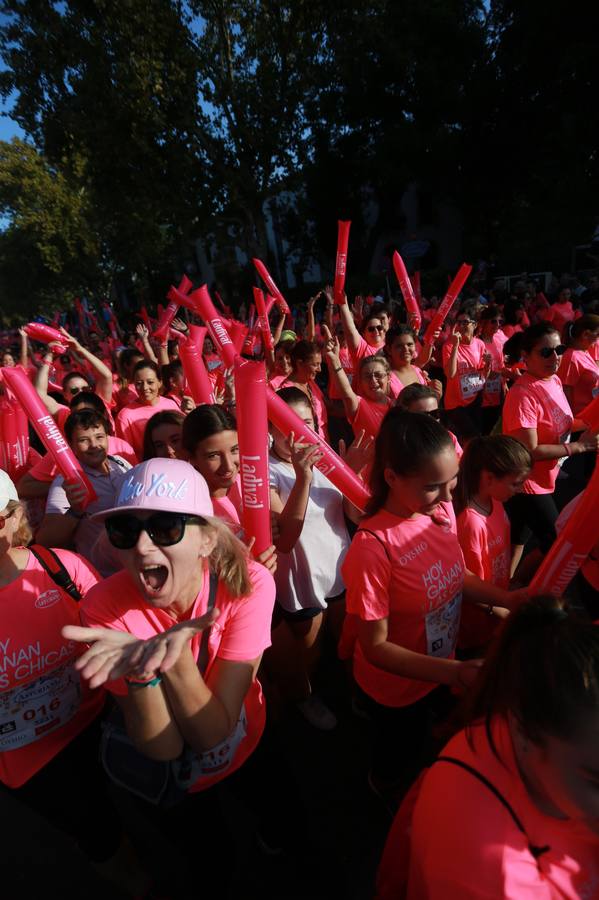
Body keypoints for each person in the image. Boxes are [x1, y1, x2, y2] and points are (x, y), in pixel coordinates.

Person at [63, 459, 276, 894]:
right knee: (210, 859)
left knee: (277, 810)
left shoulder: (249, 584)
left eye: (165, 528)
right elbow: (162, 747)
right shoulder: (102, 608)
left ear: (206, 539)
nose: (141, 548)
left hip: (248, 739)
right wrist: (146, 671)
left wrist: (172, 658)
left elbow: (216, 730)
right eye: (125, 531)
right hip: (180, 781)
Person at [342, 409, 525, 805]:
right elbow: (376, 646)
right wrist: (455, 672)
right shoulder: (373, 549)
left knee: (433, 737)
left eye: (453, 482)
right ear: (391, 477)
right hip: (397, 688)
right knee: (398, 754)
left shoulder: (439, 512)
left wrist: (506, 598)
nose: (447, 498)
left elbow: (455, 574)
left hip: (441, 665)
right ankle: (384, 794)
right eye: (433, 487)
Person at [383, 597, 599, 899]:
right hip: (397, 695)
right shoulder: (491, 875)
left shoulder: (548, 712)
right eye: (595, 781)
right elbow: (374, 645)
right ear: (526, 733)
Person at [0, 470, 134, 886]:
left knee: (120, 804)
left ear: (11, 516)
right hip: (30, 762)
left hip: (97, 724)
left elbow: (119, 633)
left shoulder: (61, 567)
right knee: (97, 832)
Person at [267, 386, 366, 730]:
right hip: (302, 577)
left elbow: (354, 517)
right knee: (309, 653)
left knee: (344, 640)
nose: (298, 436)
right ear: (270, 430)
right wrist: (303, 478)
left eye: (306, 424)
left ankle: (351, 691)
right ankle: (304, 698)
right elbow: (284, 538)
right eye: (287, 428)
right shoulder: (266, 471)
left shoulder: (329, 458)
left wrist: (352, 474)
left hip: (340, 567)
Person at [502, 323, 599, 556]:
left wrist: (589, 422)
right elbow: (530, 450)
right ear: (525, 356)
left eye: (559, 349)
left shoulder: (552, 380)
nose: (555, 357)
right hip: (527, 482)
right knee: (557, 544)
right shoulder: (522, 395)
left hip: (545, 477)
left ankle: (512, 585)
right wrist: (578, 446)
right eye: (546, 352)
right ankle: (535, 590)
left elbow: (564, 423)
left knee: (520, 536)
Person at [454, 436, 532, 651]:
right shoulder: (470, 523)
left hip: (498, 606)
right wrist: (503, 609)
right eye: (515, 483)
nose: (521, 489)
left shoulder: (496, 501)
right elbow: (467, 585)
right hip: (478, 624)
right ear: (489, 479)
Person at [36, 409, 131, 573]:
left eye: (99, 437)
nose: (94, 445)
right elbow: (45, 540)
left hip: (133, 566)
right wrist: (75, 511)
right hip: (102, 576)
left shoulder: (120, 463)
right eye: (84, 440)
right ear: (71, 445)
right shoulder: (67, 482)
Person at [324, 330, 394, 441]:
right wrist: (335, 361)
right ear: (360, 382)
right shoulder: (359, 405)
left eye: (378, 375)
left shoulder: (396, 405)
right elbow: (346, 392)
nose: (373, 380)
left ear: (388, 377)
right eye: (367, 376)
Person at [442, 303, 491, 442]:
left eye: (465, 322)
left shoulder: (479, 344)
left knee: (475, 440)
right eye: (459, 322)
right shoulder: (449, 345)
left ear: (474, 325)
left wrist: (487, 365)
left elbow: (483, 376)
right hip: (455, 404)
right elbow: (450, 374)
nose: (462, 325)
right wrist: (455, 346)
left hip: (474, 399)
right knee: (466, 440)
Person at [116, 360, 179, 458]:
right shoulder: (125, 416)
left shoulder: (171, 404)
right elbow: (126, 455)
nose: (145, 387)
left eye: (150, 382)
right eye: (139, 383)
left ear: (159, 382)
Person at [279, 339, 328, 439]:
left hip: (325, 448)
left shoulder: (311, 383)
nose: (320, 369)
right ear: (300, 363)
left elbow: (323, 424)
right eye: (315, 364)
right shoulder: (285, 390)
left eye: (320, 364)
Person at [396, 383, 463, 458]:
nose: (430, 420)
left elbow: (463, 467)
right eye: (422, 416)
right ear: (404, 418)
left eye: (435, 413)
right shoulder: (398, 452)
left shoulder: (449, 438)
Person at [384, 325, 441, 400]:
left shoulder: (418, 371)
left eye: (409, 344)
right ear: (389, 349)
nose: (405, 349)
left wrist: (436, 394)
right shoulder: (385, 378)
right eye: (399, 346)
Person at [558, 313, 599, 416]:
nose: (598, 339)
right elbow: (565, 395)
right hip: (581, 423)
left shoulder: (584, 352)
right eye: (597, 334)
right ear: (585, 334)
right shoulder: (571, 358)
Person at [478, 304, 508, 433]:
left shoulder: (498, 341)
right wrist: (488, 373)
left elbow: (501, 366)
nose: (497, 324)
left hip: (497, 393)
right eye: (493, 321)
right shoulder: (477, 342)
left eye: (499, 321)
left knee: (494, 427)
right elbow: (474, 368)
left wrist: (504, 383)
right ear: (483, 322)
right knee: (483, 429)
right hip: (481, 394)